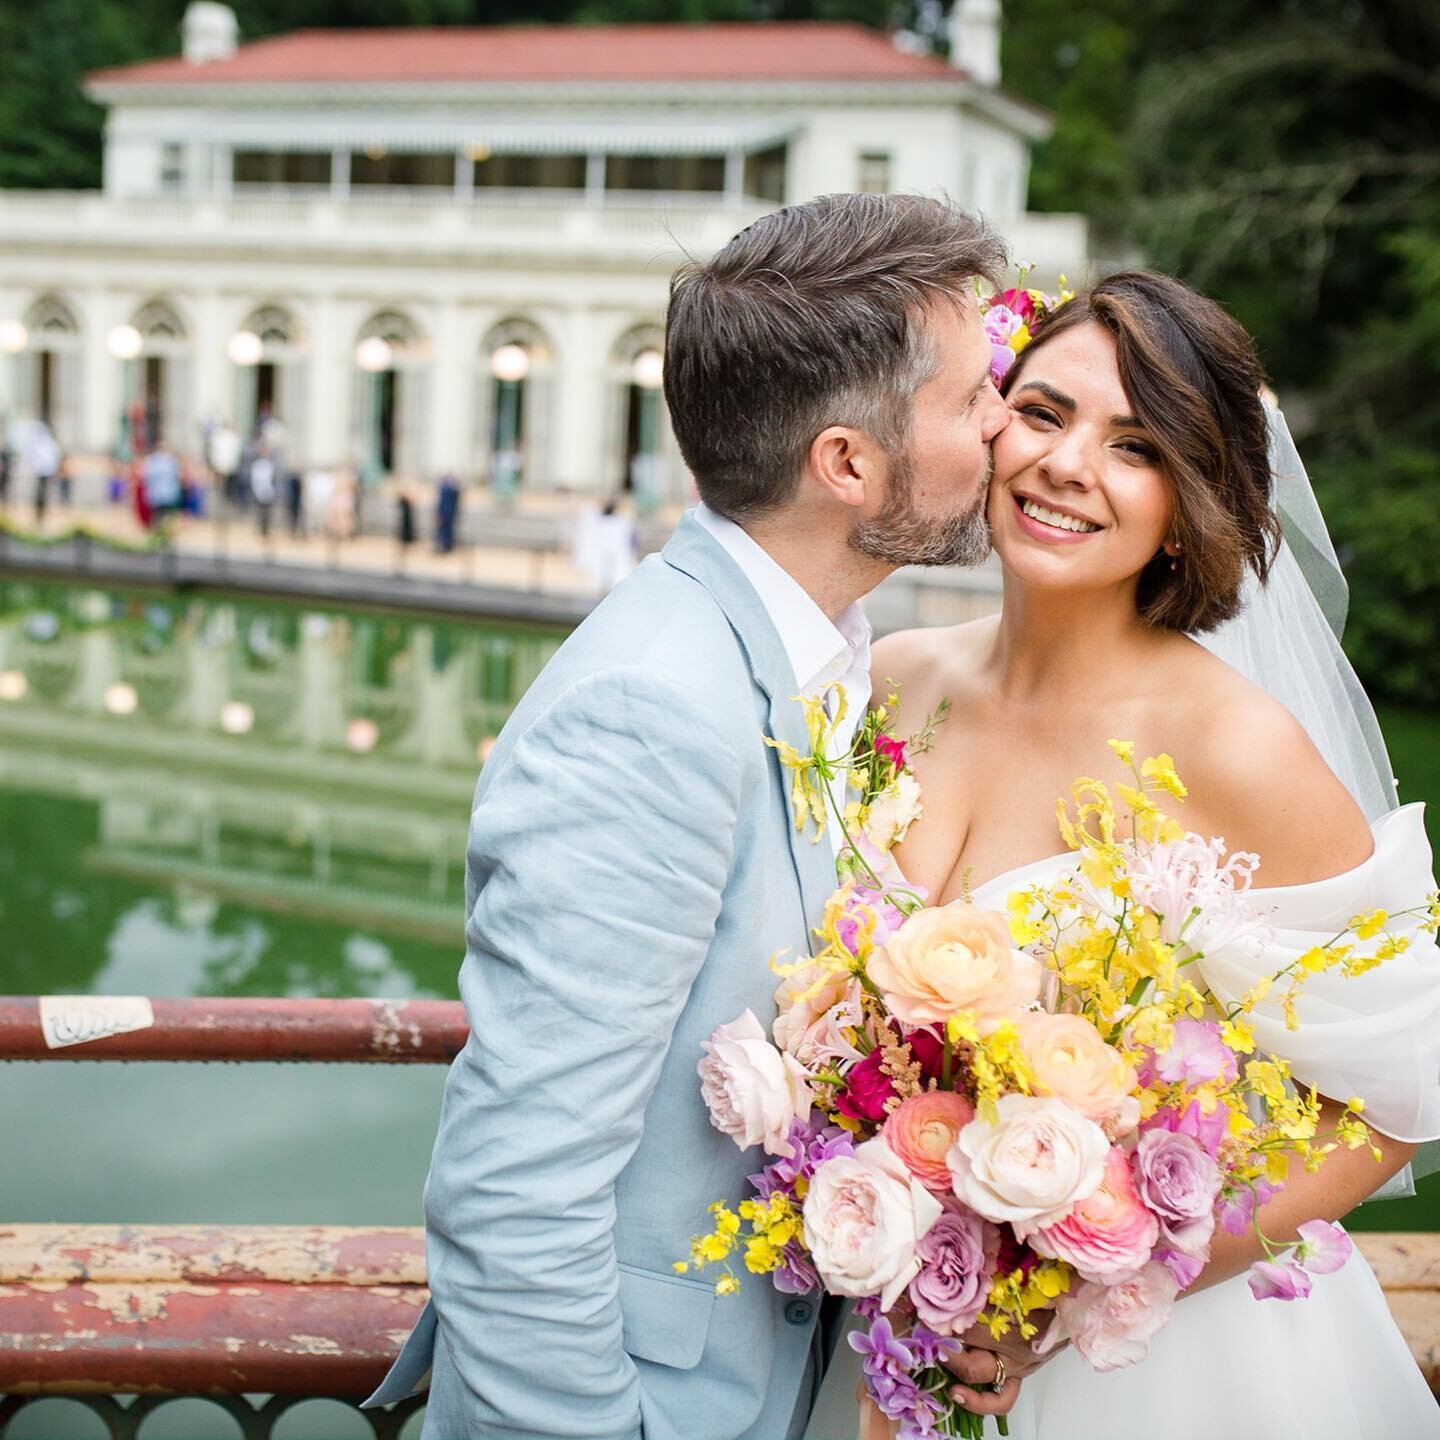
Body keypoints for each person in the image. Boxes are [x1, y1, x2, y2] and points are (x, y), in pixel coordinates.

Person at [362, 192, 1013, 1439]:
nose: (1001, 425)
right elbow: (517, 1193)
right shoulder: (651, 710)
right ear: (848, 462)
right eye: (969, 398)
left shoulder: (815, 662)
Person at [859, 271, 1440, 1440]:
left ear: (1186, 505)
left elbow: (1396, 1099)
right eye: (1044, 412)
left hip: (1160, 1373)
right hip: (895, 1324)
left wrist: (1094, 1282)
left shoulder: (1236, 748)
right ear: (991, 422)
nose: (1069, 465)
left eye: (1135, 446)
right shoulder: (891, 678)